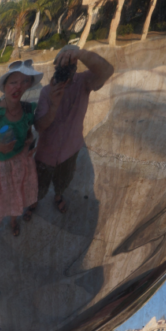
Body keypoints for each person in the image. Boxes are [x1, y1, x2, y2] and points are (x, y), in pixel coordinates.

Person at [0, 59, 43, 256]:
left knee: (17, 198)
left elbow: (27, 132)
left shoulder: (28, 110)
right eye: (13, 82)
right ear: (4, 86)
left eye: (24, 82)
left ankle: (13, 221)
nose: (18, 87)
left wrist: (29, 141)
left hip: (21, 164)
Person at [32, 45, 113, 214]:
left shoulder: (84, 82)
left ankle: (58, 195)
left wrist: (80, 53)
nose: (65, 71)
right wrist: (53, 106)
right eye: (62, 66)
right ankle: (34, 201)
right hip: (46, 153)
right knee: (38, 185)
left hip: (70, 150)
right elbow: (39, 127)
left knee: (64, 180)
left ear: (76, 67)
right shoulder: (47, 92)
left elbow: (107, 70)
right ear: (55, 67)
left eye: (70, 66)